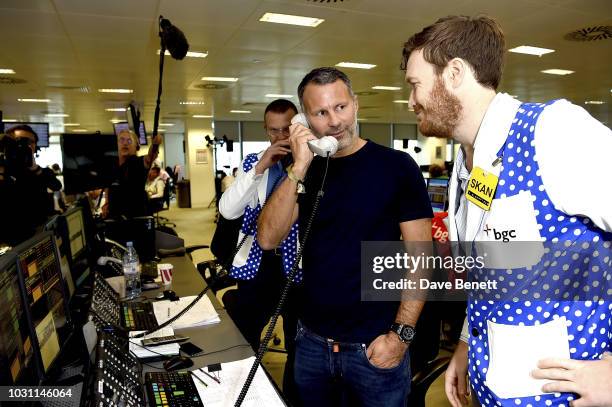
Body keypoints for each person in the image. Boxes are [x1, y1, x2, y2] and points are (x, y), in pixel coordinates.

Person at [402, 15, 611, 407]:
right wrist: (467, 341)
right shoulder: (468, 163)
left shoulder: (553, 131)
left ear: (455, 73)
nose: (411, 100)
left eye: (416, 85)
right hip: (497, 387)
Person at [257, 68, 433, 406]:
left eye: (340, 107)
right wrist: (299, 167)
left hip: (374, 345)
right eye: (321, 112)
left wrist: (401, 336)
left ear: (355, 104)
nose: (334, 121)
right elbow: (267, 238)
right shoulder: (306, 171)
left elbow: (422, 258)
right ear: (305, 120)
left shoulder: (396, 167)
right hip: (311, 343)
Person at [218, 98, 300, 403]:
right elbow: (228, 211)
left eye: (286, 130)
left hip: (298, 269)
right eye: (273, 131)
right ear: (266, 131)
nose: (280, 138)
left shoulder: (313, 162)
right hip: (258, 264)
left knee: (298, 344)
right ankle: (241, 394)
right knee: (243, 337)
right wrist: (260, 167)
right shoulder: (256, 160)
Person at [0, 125, 62, 245]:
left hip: (39, 235)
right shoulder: (5, 171)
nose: (27, 145)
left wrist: (34, 168)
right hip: (11, 239)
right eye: (21, 140)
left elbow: (56, 185)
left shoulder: (40, 171)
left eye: (31, 142)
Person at [106, 129, 161, 218]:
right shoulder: (112, 165)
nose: (125, 143)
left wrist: (155, 144)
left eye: (129, 140)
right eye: (122, 140)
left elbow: (150, 156)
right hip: (115, 219)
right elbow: (109, 186)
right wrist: (107, 203)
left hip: (135, 220)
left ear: (136, 146)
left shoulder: (137, 163)